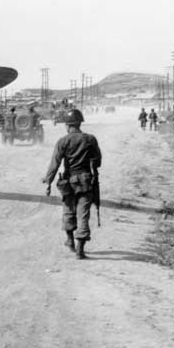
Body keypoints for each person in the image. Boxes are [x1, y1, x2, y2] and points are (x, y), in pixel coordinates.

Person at [42, 108, 102, 260]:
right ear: (80, 123)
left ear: (68, 125)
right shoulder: (90, 139)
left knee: (68, 211)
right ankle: (80, 250)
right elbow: (98, 161)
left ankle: (70, 241)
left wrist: (48, 182)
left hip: (68, 181)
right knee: (83, 214)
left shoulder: (63, 141)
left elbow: (55, 163)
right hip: (86, 181)